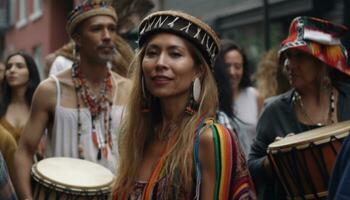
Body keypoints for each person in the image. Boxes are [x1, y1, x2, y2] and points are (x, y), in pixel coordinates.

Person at [112, 10, 256, 199]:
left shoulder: (211, 139)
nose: (160, 63)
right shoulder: (136, 135)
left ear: (198, 70)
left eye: (175, 54)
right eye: (152, 53)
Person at [13, 1, 131, 199]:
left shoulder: (128, 89)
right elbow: (23, 153)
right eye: (97, 29)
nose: (107, 36)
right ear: (77, 38)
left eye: (112, 29)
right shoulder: (50, 90)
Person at [248, 16, 350, 200]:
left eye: (300, 56)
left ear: (322, 61)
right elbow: (250, 168)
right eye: (288, 56)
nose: (289, 65)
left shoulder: (348, 99)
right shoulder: (274, 111)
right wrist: (274, 160)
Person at [217, 40, 263, 157]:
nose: (232, 72)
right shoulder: (211, 100)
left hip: (251, 170)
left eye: (237, 66)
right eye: (227, 66)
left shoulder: (255, 96)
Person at [0, 52, 41, 179]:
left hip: (33, 179)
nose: (12, 70)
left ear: (31, 71)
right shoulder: (1, 105)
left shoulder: (40, 108)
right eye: (9, 67)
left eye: (19, 66)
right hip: (4, 178)